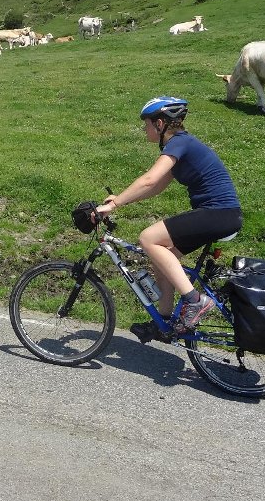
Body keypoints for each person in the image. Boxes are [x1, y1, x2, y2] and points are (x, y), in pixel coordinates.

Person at [94, 96, 242, 340]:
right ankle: (165, 321)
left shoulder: (179, 144)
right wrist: (119, 199)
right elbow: (156, 187)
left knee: (148, 238)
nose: (145, 129)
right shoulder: (180, 146)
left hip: (219, 213)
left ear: (160, 124)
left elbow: (149, 179)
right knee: (163, 258)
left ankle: (195, 301)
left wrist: (116, 204)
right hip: (220, 214)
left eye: (147, 124)